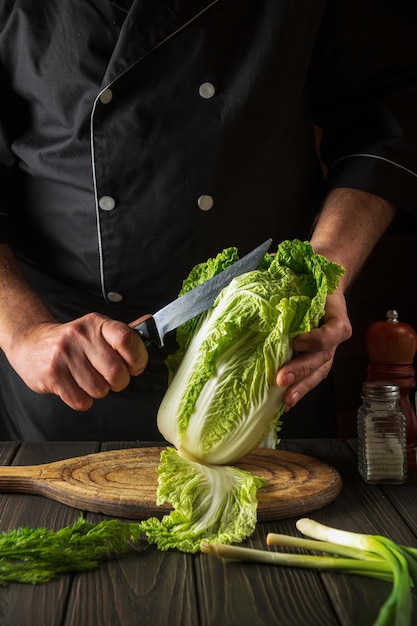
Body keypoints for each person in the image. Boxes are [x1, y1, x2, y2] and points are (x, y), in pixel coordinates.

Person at [0, 1, 416, 441]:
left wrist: (324, 269)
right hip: (66, 372)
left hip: (265, 362)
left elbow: (388, 110)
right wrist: (24, 331)